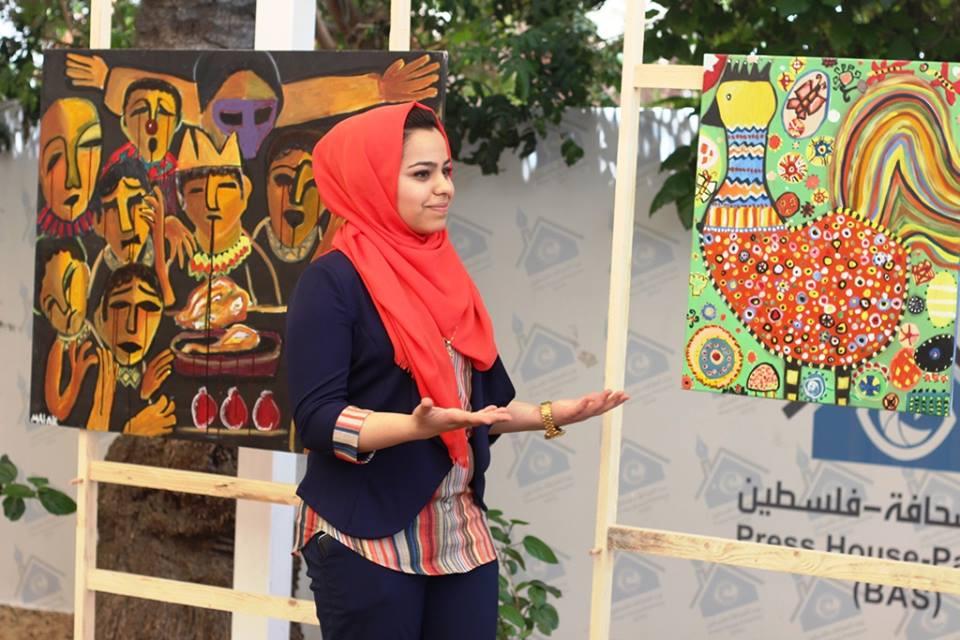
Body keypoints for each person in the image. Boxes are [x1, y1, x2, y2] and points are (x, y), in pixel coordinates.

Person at [285, 101, 627, 639]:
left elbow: (475, 412)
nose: (444, 188)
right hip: (364, 534)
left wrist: (554, 415)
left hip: (457, 534)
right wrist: (413, 427)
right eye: (422, 174)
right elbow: (317, 420)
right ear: (371, 181)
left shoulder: (448, 274)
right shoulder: (331, 281)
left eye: (446, 171)